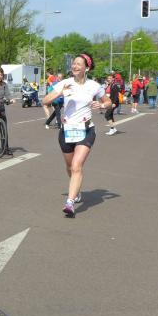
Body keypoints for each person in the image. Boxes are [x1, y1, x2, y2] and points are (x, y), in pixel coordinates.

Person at [42, 52, 111, 218]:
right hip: (67, 130)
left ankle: (70, 202)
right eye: (74, 63)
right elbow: (45, 101)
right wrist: (60, 93)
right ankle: (76, 190)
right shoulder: (65, 83)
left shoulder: (94, 86)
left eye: (79, 64)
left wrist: (101, 105)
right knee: (70, 167)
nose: (75, 66)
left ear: (86, 68)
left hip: (86, 130)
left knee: (76, 166)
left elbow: (108, 102)